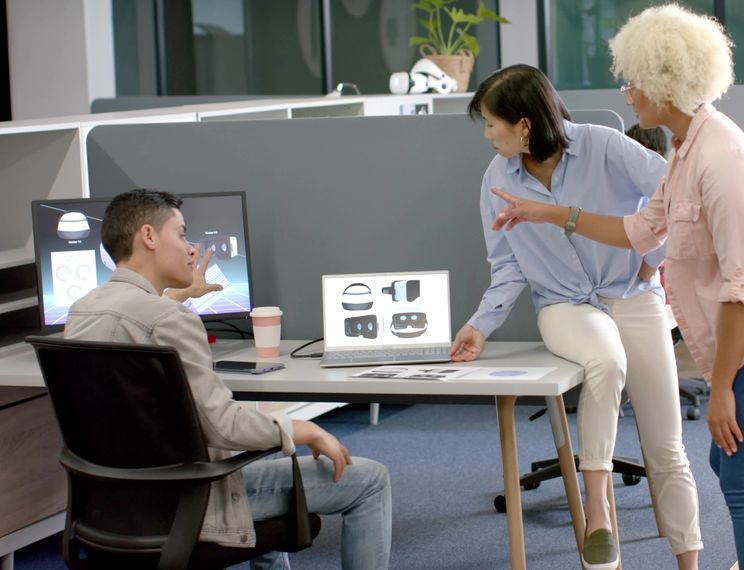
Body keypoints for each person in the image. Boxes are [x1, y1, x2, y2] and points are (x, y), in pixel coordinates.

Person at [482, 6, 744, 570]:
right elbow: (639, 229)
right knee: (731, 468)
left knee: (739, 481)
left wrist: (719, 390)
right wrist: (549, 215)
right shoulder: (685, 150)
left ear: (667, 84)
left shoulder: (720, 159)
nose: (626, 93)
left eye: (634, 81)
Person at [448, 64, 702, 570]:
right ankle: (598, 509)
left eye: (493, 123)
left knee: (667, 447)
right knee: (605, 362)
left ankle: (689, 561)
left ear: (524, 124)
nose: (487, 134)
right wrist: (480, 325)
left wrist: (655, 256)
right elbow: (507, 267)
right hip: (564, 306)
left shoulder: (604, 146)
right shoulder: (497, 179)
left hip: (631, 295)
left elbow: (679, 191)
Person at [64, 189, 392, 570]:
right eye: (182, 234)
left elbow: (136, 328)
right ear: (149, 237)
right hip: (189, 502)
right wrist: (303, 429)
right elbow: (224, 426)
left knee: (249, 463)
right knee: (370, 480)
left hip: (114, 503)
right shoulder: (170, 321)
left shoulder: (83, 311)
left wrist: (178, 298)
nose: (191, 248)